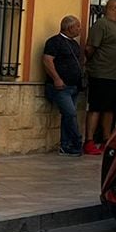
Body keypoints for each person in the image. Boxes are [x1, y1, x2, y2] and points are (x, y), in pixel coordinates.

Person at [85, 0, 116, 151]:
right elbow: (90, 48)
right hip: (102, 74)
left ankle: (106, 138)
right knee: (97, 107)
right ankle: (90, 140)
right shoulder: (101, 25)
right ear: (113, 8)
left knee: (110, 109)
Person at [40, 15, 85, 156]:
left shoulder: (74, 44)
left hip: (74, 86)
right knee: (70, 114)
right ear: (70, 27)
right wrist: (56, 78)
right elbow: (47, 60)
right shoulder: (54, 42)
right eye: (78, 26)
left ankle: (66, 145)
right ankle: (77, 142)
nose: (80, 29)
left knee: (68, 116)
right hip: (61, 87)